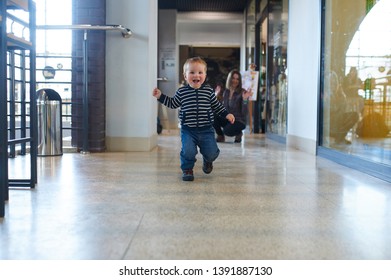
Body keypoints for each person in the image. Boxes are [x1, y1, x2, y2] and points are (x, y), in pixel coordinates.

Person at [152, 57, 235, 181]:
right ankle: (187, 170)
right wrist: (160, 96)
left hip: (206, 130)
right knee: (188, 151)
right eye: (192, 72)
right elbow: (172, 103)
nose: (196, 75)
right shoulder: (182, 92)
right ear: (185, 76)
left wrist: (227, 114)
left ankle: (208, 161)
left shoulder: (208, 92)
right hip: (188, 130)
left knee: (212, 153)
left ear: (205, 75)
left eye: (200, 72)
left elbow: (217, 106)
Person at [213, 69, 252, 143]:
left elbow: (244, 113)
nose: (235, 81)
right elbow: (221, 108)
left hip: (238, 120)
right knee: (212, 115)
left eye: (237, 79)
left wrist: (245, 100)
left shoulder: (243, 92)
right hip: (228, 118)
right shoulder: (226, 92)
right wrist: (216, 96)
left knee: (227, 131)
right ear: (230, 79)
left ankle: (238, 133)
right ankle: (220, 136)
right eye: (233, 78)